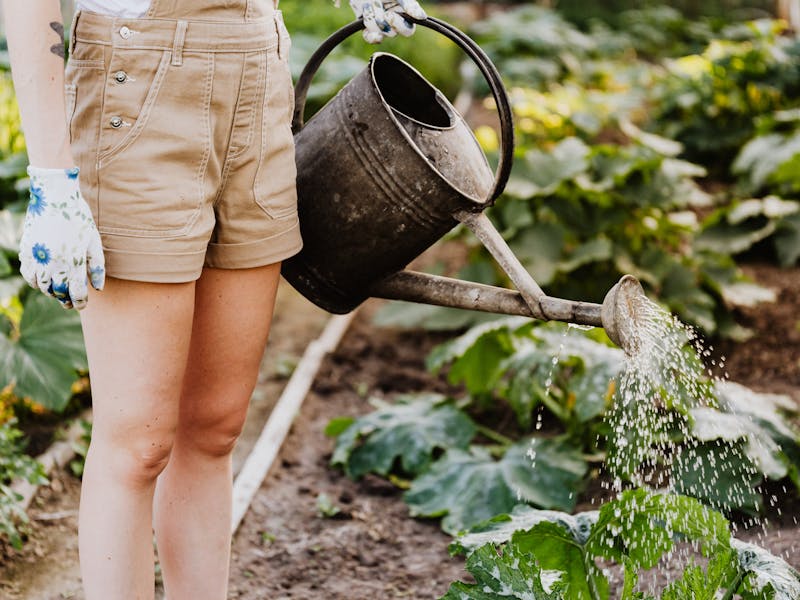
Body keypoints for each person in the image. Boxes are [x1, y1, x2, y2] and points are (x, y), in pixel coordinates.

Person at [2, 0, 425, 598]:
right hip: (139, 78)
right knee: (139, 443)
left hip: (257, 68)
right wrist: (50, 176)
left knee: (215, 428)